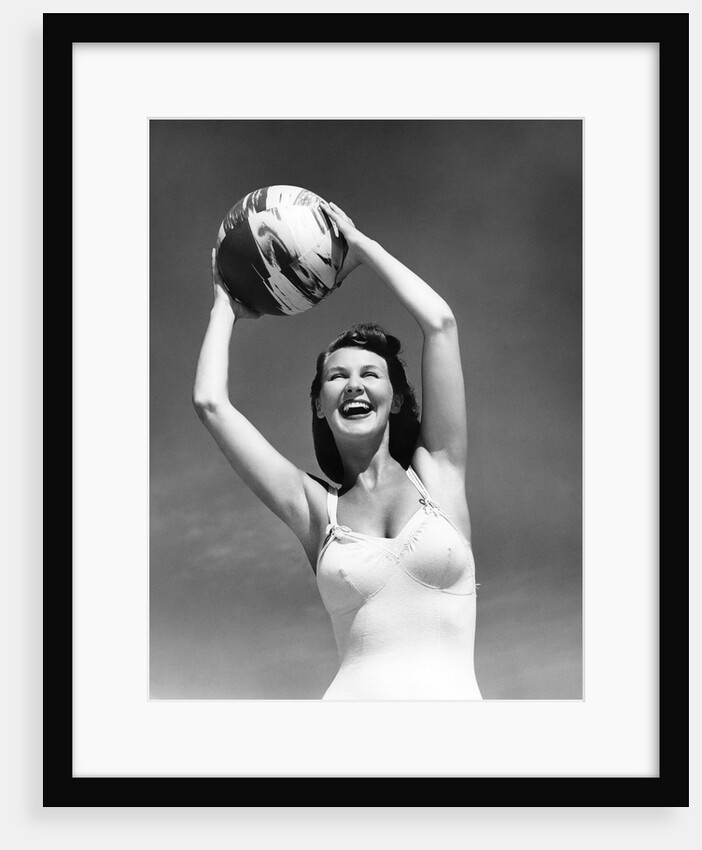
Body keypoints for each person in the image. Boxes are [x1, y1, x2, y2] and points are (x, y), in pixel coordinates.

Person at [193, 201, 482, 700]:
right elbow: (211, 403)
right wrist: (226, 303)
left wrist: (362, 247)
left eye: (371, 375)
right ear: (321, 406)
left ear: (394, 400)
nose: (353, 386)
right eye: (336, 377)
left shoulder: (439, 473)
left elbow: (441, 324)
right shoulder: (314, 511)